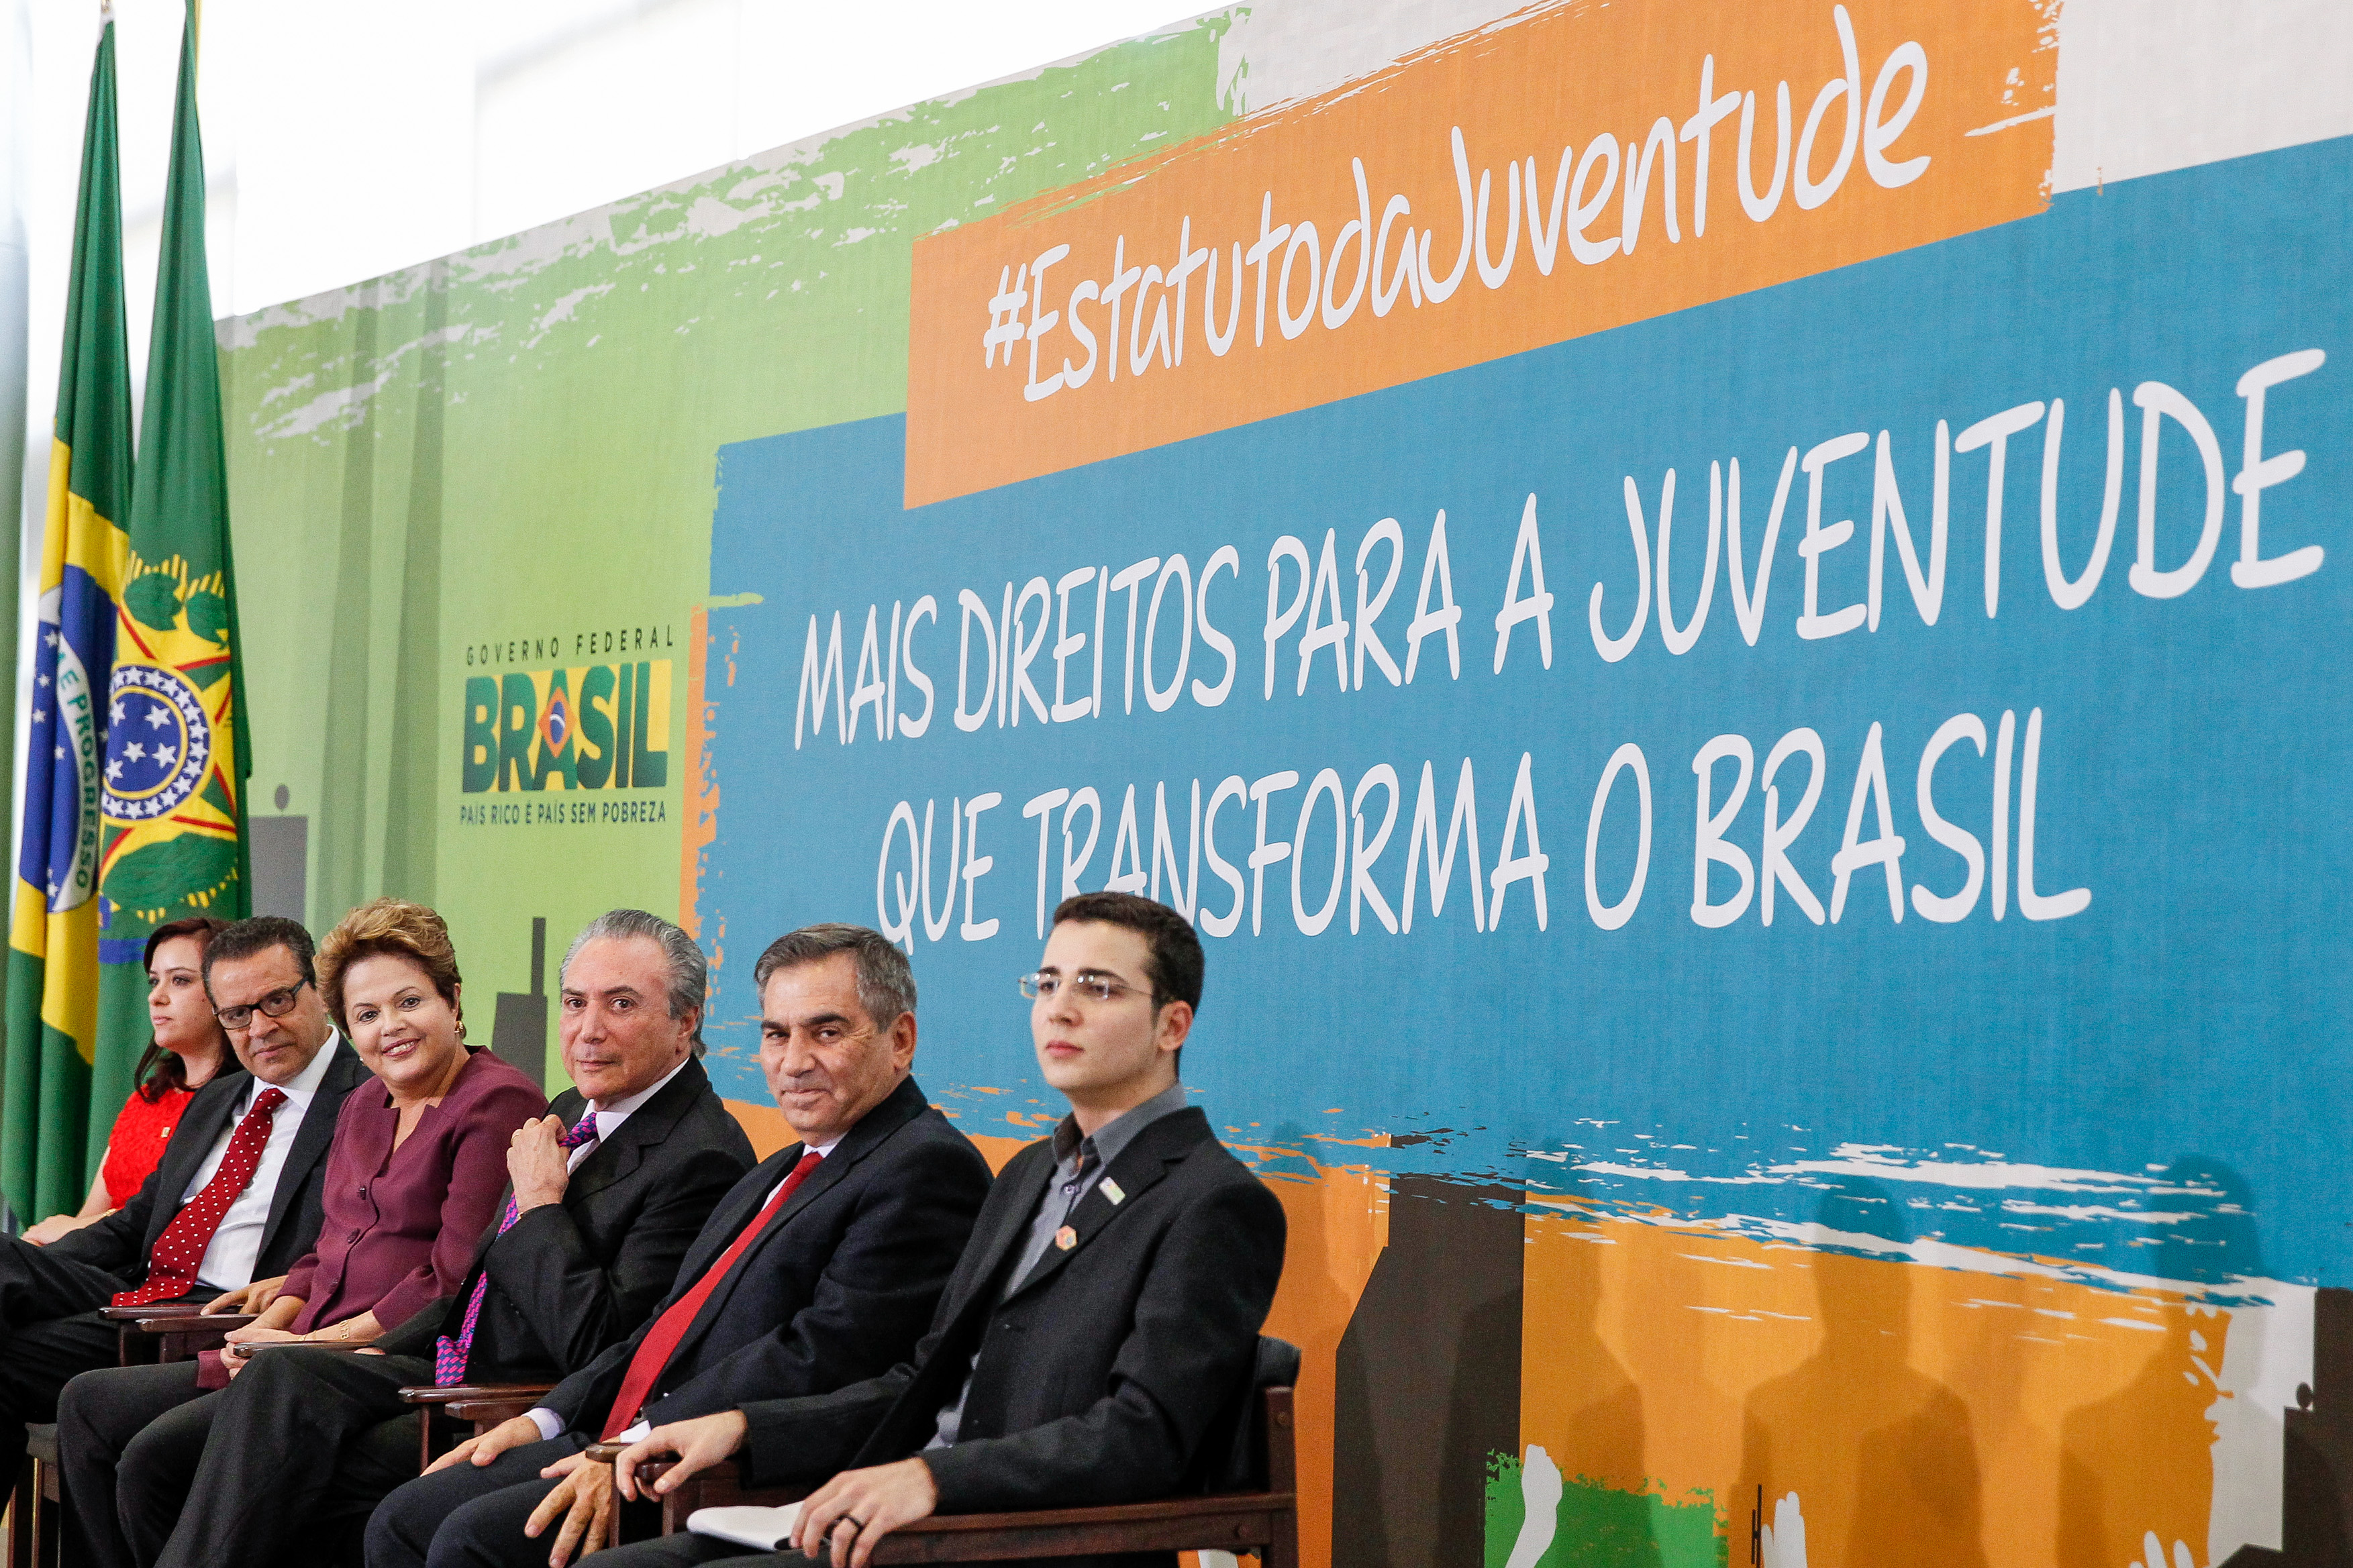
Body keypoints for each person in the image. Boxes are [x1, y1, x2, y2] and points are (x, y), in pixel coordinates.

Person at [589, 891, 1287, 1568]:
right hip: (907, 1517)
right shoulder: (1028, 1175)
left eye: (1097, 988)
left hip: (1012, 1536)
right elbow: (921, 1381)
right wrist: (746, 1427)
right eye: (1048, 984)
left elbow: (1142, 1439)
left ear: (1172, 1025)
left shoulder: (1214, 1202)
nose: (1060, 1009)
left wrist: (933, 1480)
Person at [64, 909, 758, 1566]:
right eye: (575, 1003)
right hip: (429, 1357)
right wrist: (345, 1341)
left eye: (621, 1004)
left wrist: (541, 1208)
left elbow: (605, 1345)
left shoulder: (699, 1155)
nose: (588, 1030)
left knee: (287, 1434)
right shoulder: (576, 1106)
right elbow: (457, 1276)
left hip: (500, 1391)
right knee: (168, 1454)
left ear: (685, 1020)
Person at [367, 922, 995, 1568]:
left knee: (469, 1537)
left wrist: (636, 1440)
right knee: (406, 1517)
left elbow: (818, 1358)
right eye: (776, 1034)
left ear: (901, 1040)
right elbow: (666, 1327)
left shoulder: (923, 1167)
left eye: (826, 1032)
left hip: (717, 1463)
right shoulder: (783, 1167)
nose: (794, 1061)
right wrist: (543, 1419)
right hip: (622, 1432)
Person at [57, 898, 548, 1568]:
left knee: (233, 1413)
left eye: (409, 1002)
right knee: (133, 1446)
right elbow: (323, 1252)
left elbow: (448, 1283)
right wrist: (265, 1331)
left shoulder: (496, 1100)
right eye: (367, 1015)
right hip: (304, 1354)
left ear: (453, 999)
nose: (390, 1027)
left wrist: (303, 1345)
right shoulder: (364, 1101)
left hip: (403, 1355)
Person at [0, 914, 368, 1486]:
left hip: (221, 1315)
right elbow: (134, 1224)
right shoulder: (217, 1098)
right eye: (237, 1014)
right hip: (143, 1289)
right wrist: (35, 1272)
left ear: (319, 990)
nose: (260, 1027)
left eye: (276, 1001)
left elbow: (360, 1242)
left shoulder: (367, 1098)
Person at [21, 917, 234, 1245]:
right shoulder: (148, 1097)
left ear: (228, 992)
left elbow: (181, 1222)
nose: (156, 997)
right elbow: (87, 1216)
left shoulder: (245, 1102)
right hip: (100, 1256)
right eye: (154, 981)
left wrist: (73, 1230)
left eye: (180, 980)